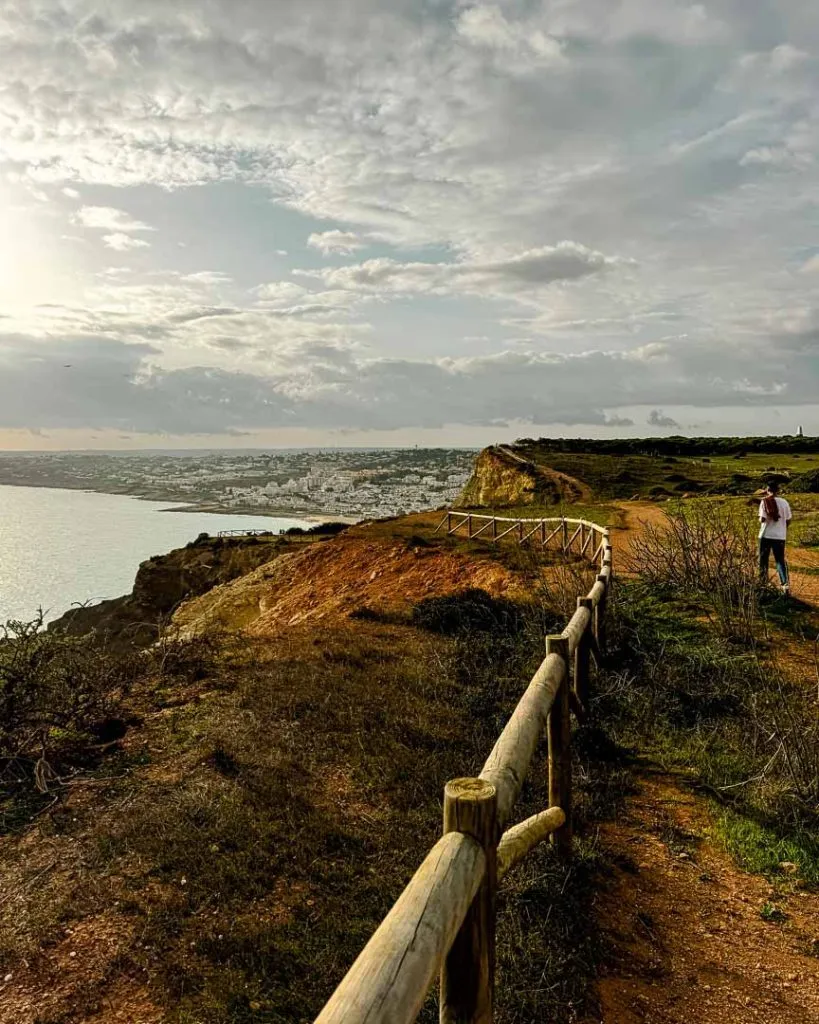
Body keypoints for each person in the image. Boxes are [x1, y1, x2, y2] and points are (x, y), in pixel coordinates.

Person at [758, 480, 792, 595]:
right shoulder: (785, 502)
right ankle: (785, 585)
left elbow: (762, 519)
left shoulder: (764, 501)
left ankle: (763, 583)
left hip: (766, 534)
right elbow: (788, 520)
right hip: (780, 536)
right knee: (780, 560)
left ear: (767, 490)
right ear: (778, 490)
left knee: (763, 560)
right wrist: (782, 528)